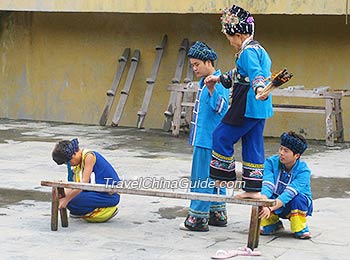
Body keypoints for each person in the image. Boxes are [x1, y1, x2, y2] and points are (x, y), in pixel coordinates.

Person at [204, 5, 273, 197]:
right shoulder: (259, 49)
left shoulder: (248, 52)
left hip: (247, 103)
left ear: (239, 35)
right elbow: (240, 73)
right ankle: (253, 189)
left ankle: (224, 177)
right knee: (252, 143)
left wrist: (259, 87)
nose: (230, 43)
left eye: (230, 38)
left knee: (221, 135)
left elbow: (255, 73)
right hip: (260, 106)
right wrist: (219, 79)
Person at [183, 41, 230, 232]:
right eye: (192, 65)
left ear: (209, 62)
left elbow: (220, 107)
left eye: (197, 64)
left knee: (201, 178)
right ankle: (217, 213)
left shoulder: (218, 82)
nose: (194, 68)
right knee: (216, 177)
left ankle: (197, 218)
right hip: (211, 140)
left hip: (207, 141)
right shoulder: (206, 82)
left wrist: (211, 89)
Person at [258, 131, 313, 239]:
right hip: (274, 200)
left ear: (296, 155)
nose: (281, 153)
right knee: (260, 195)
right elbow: (267, 184)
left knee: (298, 199)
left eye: (286, 151)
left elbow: (289, 193)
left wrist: (269, 208)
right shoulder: (270, 162)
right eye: (281, 148)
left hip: (293, 202)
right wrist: (262, 201)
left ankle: (300, 228)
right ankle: (272, 224)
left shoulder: (304, 171)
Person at [52, 138, 120, 222]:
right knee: (66, 196)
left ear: (73, 155)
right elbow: (73, 185)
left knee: (72, 201)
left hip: (108, 195)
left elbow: (84, 184)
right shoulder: (78, 164)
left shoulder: (89, 156)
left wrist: (66, 200)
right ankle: (81, 210)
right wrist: (62, 195)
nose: (69, 165)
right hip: (95, 192)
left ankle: (104, 211)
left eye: (68, 163)